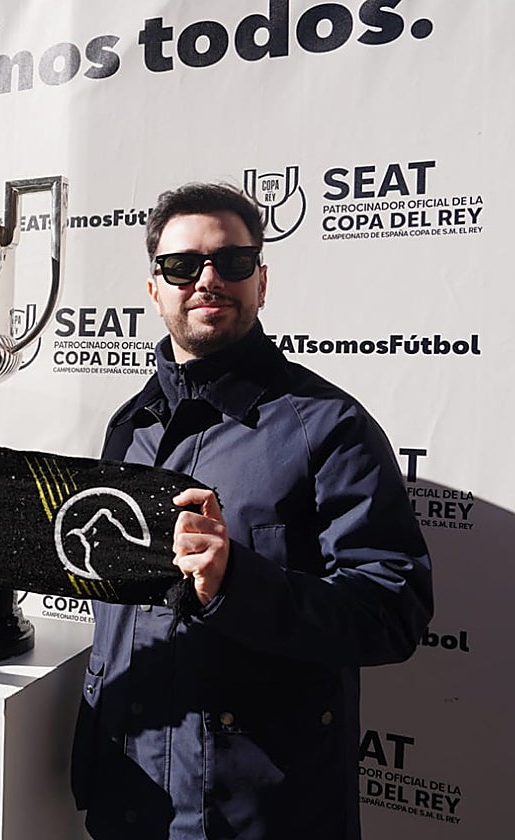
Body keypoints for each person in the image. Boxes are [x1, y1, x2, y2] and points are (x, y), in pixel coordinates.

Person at [67, 182, 433, 840]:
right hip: (128, 801)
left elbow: (393, 611)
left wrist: (235, 581)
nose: (207, 280)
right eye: (182, 265)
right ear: (154, 289)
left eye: (231, 262)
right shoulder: (130, 425)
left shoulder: (330, 427)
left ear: (261, 281)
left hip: (260, 818)